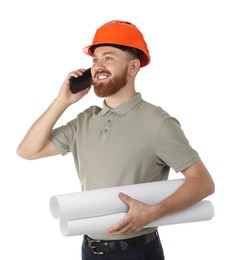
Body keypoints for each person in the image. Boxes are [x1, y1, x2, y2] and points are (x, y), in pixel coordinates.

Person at [17, 20, 215, 260]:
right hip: (89, 248)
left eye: (109, 58)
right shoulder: (85, 120)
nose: (98, 66)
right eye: (95, 60)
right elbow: (27, 151)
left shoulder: (158, 123)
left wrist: (153, 212)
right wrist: (63, 101)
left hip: (135, 251)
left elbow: (203, 183)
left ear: (133, 67)